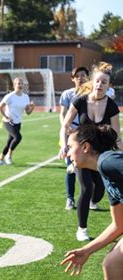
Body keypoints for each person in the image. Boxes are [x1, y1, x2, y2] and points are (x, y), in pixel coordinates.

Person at [59, 62, 123, 241]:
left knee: (100, 190)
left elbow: (116, 135)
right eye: (98, 81)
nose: (100, 85)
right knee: (86, 188)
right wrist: (64, 145)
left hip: (100, 154)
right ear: (92, 83)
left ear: (109, 86)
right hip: (83, 151)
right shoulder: (80, 100)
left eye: (104, 82)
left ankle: (94, 201)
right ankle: (82, 229)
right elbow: (65, 125)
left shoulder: (111, 106)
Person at [61, 124, 123, 278]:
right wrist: (86, 250)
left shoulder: (107, 161)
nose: (67, 153)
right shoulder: (106, 174)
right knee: (112, 263)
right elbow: (119, 224)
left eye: (70, 147)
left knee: (114, 262)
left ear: (85, 147)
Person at [59, 66, 89, 210]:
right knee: (70, 167)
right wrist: (65, 126)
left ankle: (90, 198)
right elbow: (62, 113)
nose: (80, 78)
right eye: (77, 76)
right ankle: (70, 198)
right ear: (72, 79)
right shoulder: (67, 94)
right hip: (70, 133)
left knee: (88, 167)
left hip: (86, 133)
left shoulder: (91, 93)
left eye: (83, 75)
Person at [0, 77, 35, 165]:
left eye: (22, 83)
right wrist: (6, 117)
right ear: (14, 85)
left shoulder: (26, 97)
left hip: (18, 122)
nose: (20, 85)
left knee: (10, 142)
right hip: (8, 122)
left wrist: (32, 107)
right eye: (18, 83)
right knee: (18, 137)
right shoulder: (10, 96)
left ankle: (0, 159)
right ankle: (8, 156)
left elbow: (28, 112)